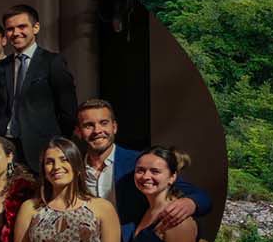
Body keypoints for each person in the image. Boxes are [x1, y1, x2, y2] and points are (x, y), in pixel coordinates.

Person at [71, 99, 210, 233]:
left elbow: (201, 197)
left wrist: (190, 203)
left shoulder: (138, 162)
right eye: (89, 125)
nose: (97, 130)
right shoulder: (70, 167)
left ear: (114, 127)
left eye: (104, 123)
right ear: (78, 132)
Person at [0, 5, 78, 173]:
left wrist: (57, 143)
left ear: (36, 27)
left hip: (42, 147)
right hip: (6, 147)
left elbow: (68, 110)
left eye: (22, 27)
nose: (16, 33)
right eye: (10, 29)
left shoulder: (53, 62)